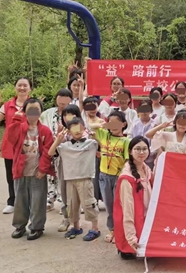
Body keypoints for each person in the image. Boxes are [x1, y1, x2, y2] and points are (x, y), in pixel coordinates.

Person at [7, 98, 54, 241]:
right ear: (25, 112)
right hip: (20, 171)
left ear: (41, 112)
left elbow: (47, 152)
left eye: (36, 110)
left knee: (38, 201)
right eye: (30, 110)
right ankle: (19, 225)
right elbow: (11, 138)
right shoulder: (20, 127)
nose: (33, 113)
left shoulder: (45, 131)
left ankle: (37, 226)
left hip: (37, 172)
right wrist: (16, 119)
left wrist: (43, 169)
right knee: (20, 201)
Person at [48, 119, 101, 242]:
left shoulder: (91, 143)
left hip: (85, 178)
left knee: (89, 204)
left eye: (80, 128)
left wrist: (96, 137)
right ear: (68, 131)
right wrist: (58, 139)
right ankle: (76, 227)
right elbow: (50, 152)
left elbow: (103, 148)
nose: (77, 131)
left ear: (84, 129)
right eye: (74, 128)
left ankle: (95, 228)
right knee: (72, 204)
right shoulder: (64, 146)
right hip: (70, 179)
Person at [0, 77, 32, 214]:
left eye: (25, 85)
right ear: (15, 87)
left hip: (29, 144)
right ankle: (12, 201)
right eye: (19, 85)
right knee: (11, 174)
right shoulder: (8, 105)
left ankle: (28, 201)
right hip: (10, 145)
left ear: (30, 88)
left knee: (28, 173)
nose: (22, 88)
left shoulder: (33, 104)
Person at [94, 110, 131, 243]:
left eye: (116, 123)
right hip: (104, 176)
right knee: (109, 206)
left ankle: (120, 231)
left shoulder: (126, 141)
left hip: (118, 177)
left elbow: (127, 160)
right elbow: (90, 126)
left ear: (124, 124)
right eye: (111, 123)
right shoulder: (104, 135)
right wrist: (103, 125)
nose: (113, 126)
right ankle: (112, 230)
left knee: (118, 206)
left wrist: (123, 175)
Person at [113, 136, 152, 260]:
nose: (141, 152)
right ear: (130, 151)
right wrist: (131, 238)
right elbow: (127, 211)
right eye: (137, 149)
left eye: (144, 149)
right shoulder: (127, 178)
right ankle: (128, 246)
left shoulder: (146, 169)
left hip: (145, 213)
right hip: (134, 216)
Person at [40, 88, 73, 230]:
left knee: (64, 180)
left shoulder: (72, 114)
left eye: (65, 103)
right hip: (49, 148)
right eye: (60, 103)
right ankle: (50, 199)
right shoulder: (47, 114)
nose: (62, 106)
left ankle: (65, 207)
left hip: (66, 151)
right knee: (49, 175)